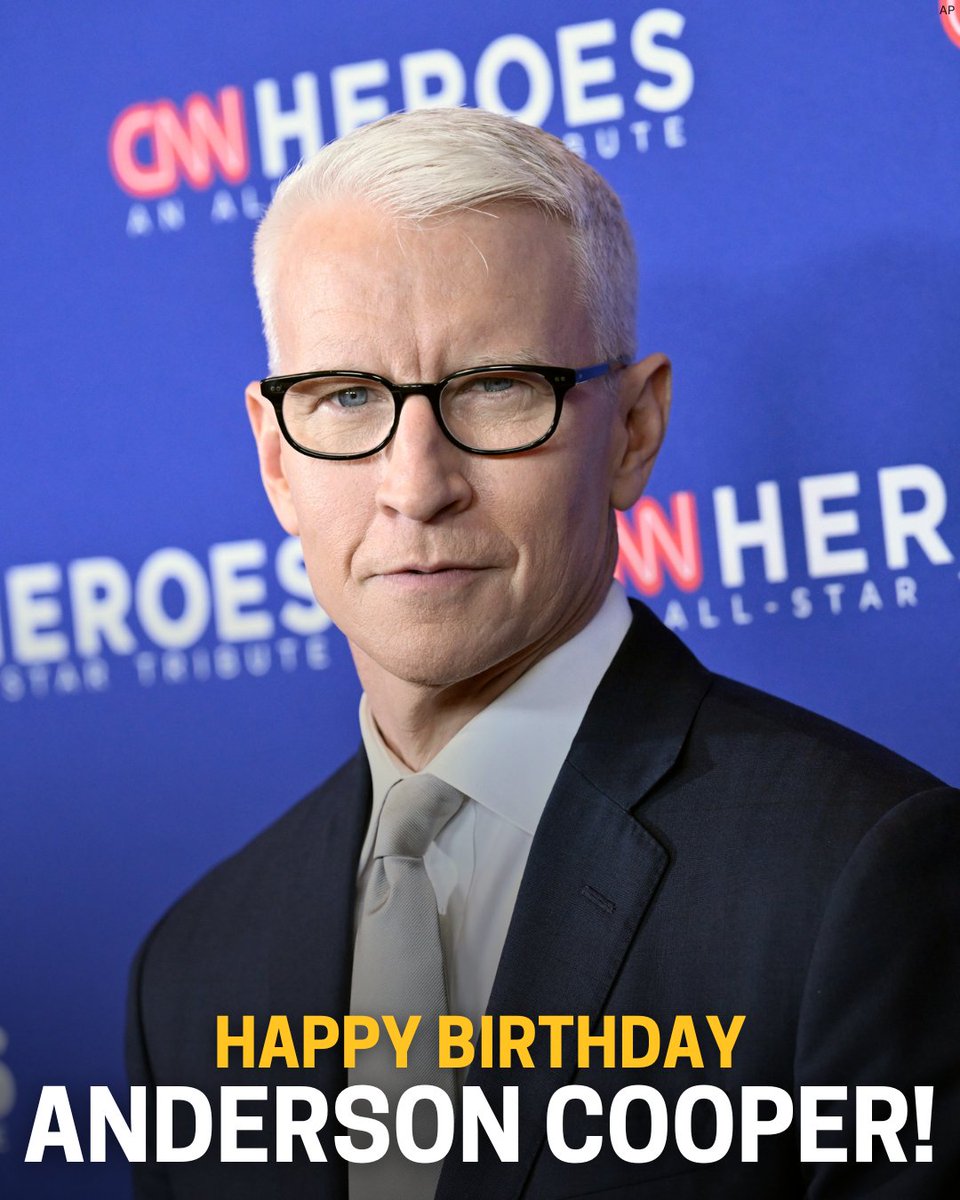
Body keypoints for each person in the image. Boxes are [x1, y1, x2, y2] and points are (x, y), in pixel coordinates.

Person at [126, 106, 960, 1199]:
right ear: (277, 460)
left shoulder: (865, 878)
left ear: (634, 433)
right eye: (346, 398)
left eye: (496, 387)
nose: (416, 486)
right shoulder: (191, 971)